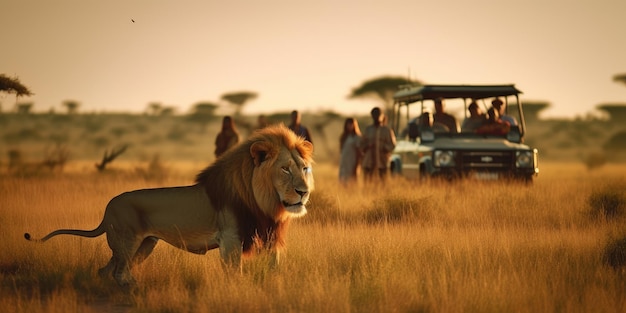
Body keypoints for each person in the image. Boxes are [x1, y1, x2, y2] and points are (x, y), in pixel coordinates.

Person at [359, 107, 396, 182]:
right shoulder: (368, 129)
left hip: (382, 161)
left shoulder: (387, 130)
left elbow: (392, 145)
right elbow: (362, 144)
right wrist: (368, 146)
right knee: (368, 182)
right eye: (374, 115)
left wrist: (384, 148)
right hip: (369, 161)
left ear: (382, 116)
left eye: (378, 115)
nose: (376, 117)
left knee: (383, 183)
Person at [339, 118, 362, 184]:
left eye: (351, 124)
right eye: (348, 124)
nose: (349, 126)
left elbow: (359, 152)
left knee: (352, 182)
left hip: (352, 162)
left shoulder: (357, 137)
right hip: (344, 163)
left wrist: (356, 165)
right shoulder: (344, 137)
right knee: (342, 181)